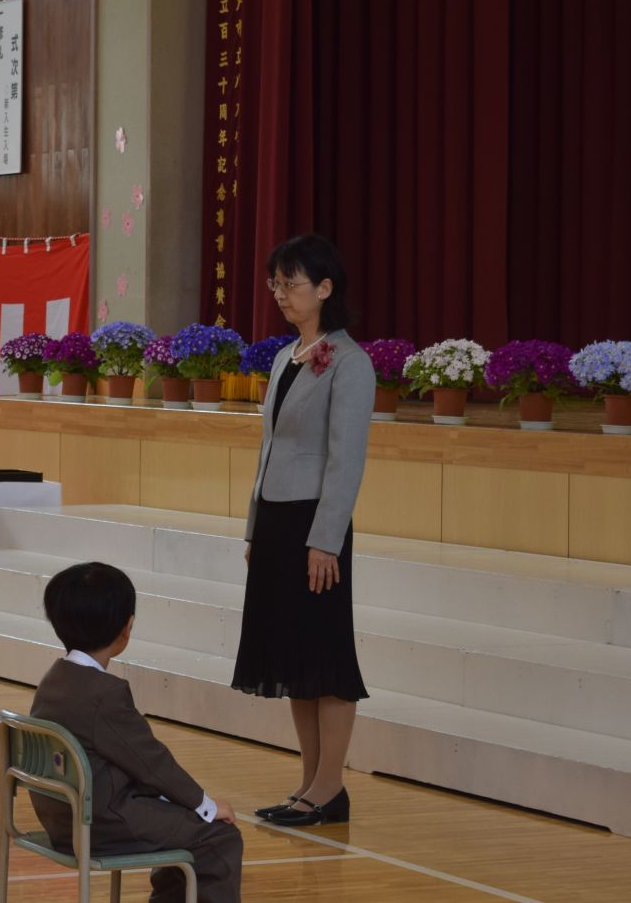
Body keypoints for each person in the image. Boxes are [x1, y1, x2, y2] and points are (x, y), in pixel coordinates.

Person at [231, 234, 375, 827]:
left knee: (325, 657)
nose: (280, 294)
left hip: (315, 525)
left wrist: (324, 539)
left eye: (290, 283)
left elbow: (346, 460)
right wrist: (253, 527)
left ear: (324, 288)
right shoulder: (285, 356)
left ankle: (330, 786)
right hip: (276, 521)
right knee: (294, 658)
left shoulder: (350, 362)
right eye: (276, 284)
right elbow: (268, 449)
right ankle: (311, 786)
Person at [31, 562, 242, 903]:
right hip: (100, 823)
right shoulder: (105, 694)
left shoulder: (53, 679)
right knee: (218, 836)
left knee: (179, 822)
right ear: (126, 628)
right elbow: (151, 763)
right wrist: (205, 805)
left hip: (61, 819)